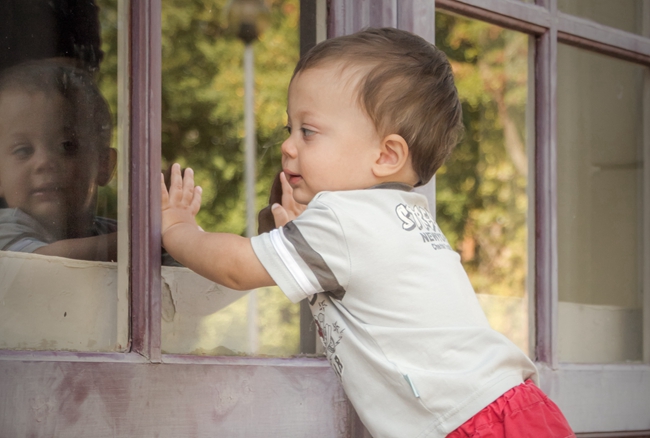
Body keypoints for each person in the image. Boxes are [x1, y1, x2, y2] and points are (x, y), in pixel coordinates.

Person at [161, 27, 574, 438]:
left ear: (386, 155)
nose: (288, 146)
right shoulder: (403, 215)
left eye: (308, 131)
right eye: (290, 129)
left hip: (472, 425)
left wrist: (178, 227)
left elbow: (237, 268)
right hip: (515, 410)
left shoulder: (345, 218)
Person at [0, 59, 117, 261]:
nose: (44, 162)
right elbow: (42, 262)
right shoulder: (5, 228)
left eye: (67, 146)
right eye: (23, 150)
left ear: (104, 164)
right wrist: (147, 239)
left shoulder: (112, 232)